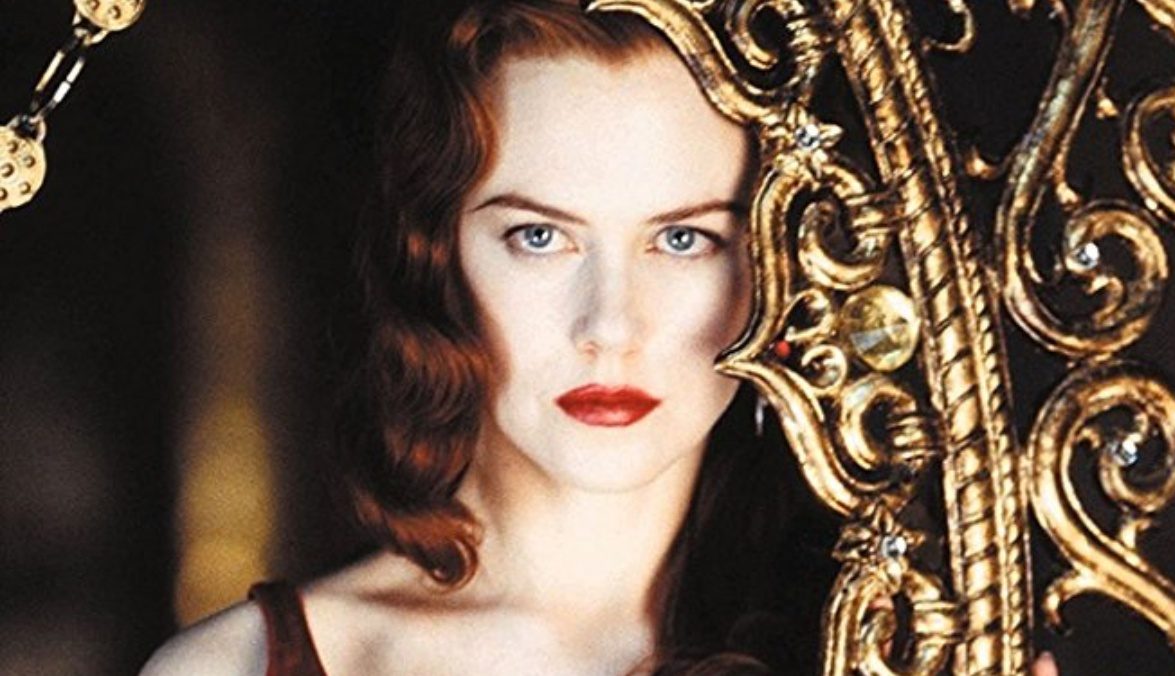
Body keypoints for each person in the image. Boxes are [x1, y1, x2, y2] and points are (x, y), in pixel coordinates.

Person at [141, 1, 1059, 674]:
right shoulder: (236, 670)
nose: (611, 325)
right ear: (439, 255)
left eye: (684, 239)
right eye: (540, 237)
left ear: (789, 261)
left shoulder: (912, 648)